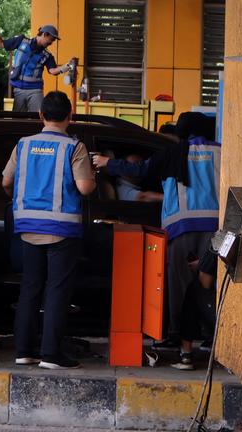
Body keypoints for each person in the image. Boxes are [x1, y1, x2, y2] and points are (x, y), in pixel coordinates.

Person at [92, 112, 220, 367]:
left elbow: (140, 170)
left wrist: (107, 163)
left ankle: (176, 337)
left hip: (180, 227)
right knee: (211, 287)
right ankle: (213, 336)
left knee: (180, 288)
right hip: (215, 228)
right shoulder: (221, 151)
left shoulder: (172, 152)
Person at [1, 91, 96, 369]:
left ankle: (23, 351)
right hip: (61, 230)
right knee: (56, 289)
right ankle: (51, 354)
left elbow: (6, 182)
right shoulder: (73, 147)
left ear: (41, 115)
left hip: (28, 227)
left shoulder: (23, 145)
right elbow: (84, 187)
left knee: (30, 288)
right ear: (70, 116)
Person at [0, 21, 72, 112]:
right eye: (51, 39)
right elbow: (0, 44)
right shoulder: (21, 41)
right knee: (17, 120)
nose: (51, 42)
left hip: (35, 90)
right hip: (18, 89)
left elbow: (53, 71)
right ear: (45, 34)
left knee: (38, 118)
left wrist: (67, 66)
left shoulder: (47, 55)